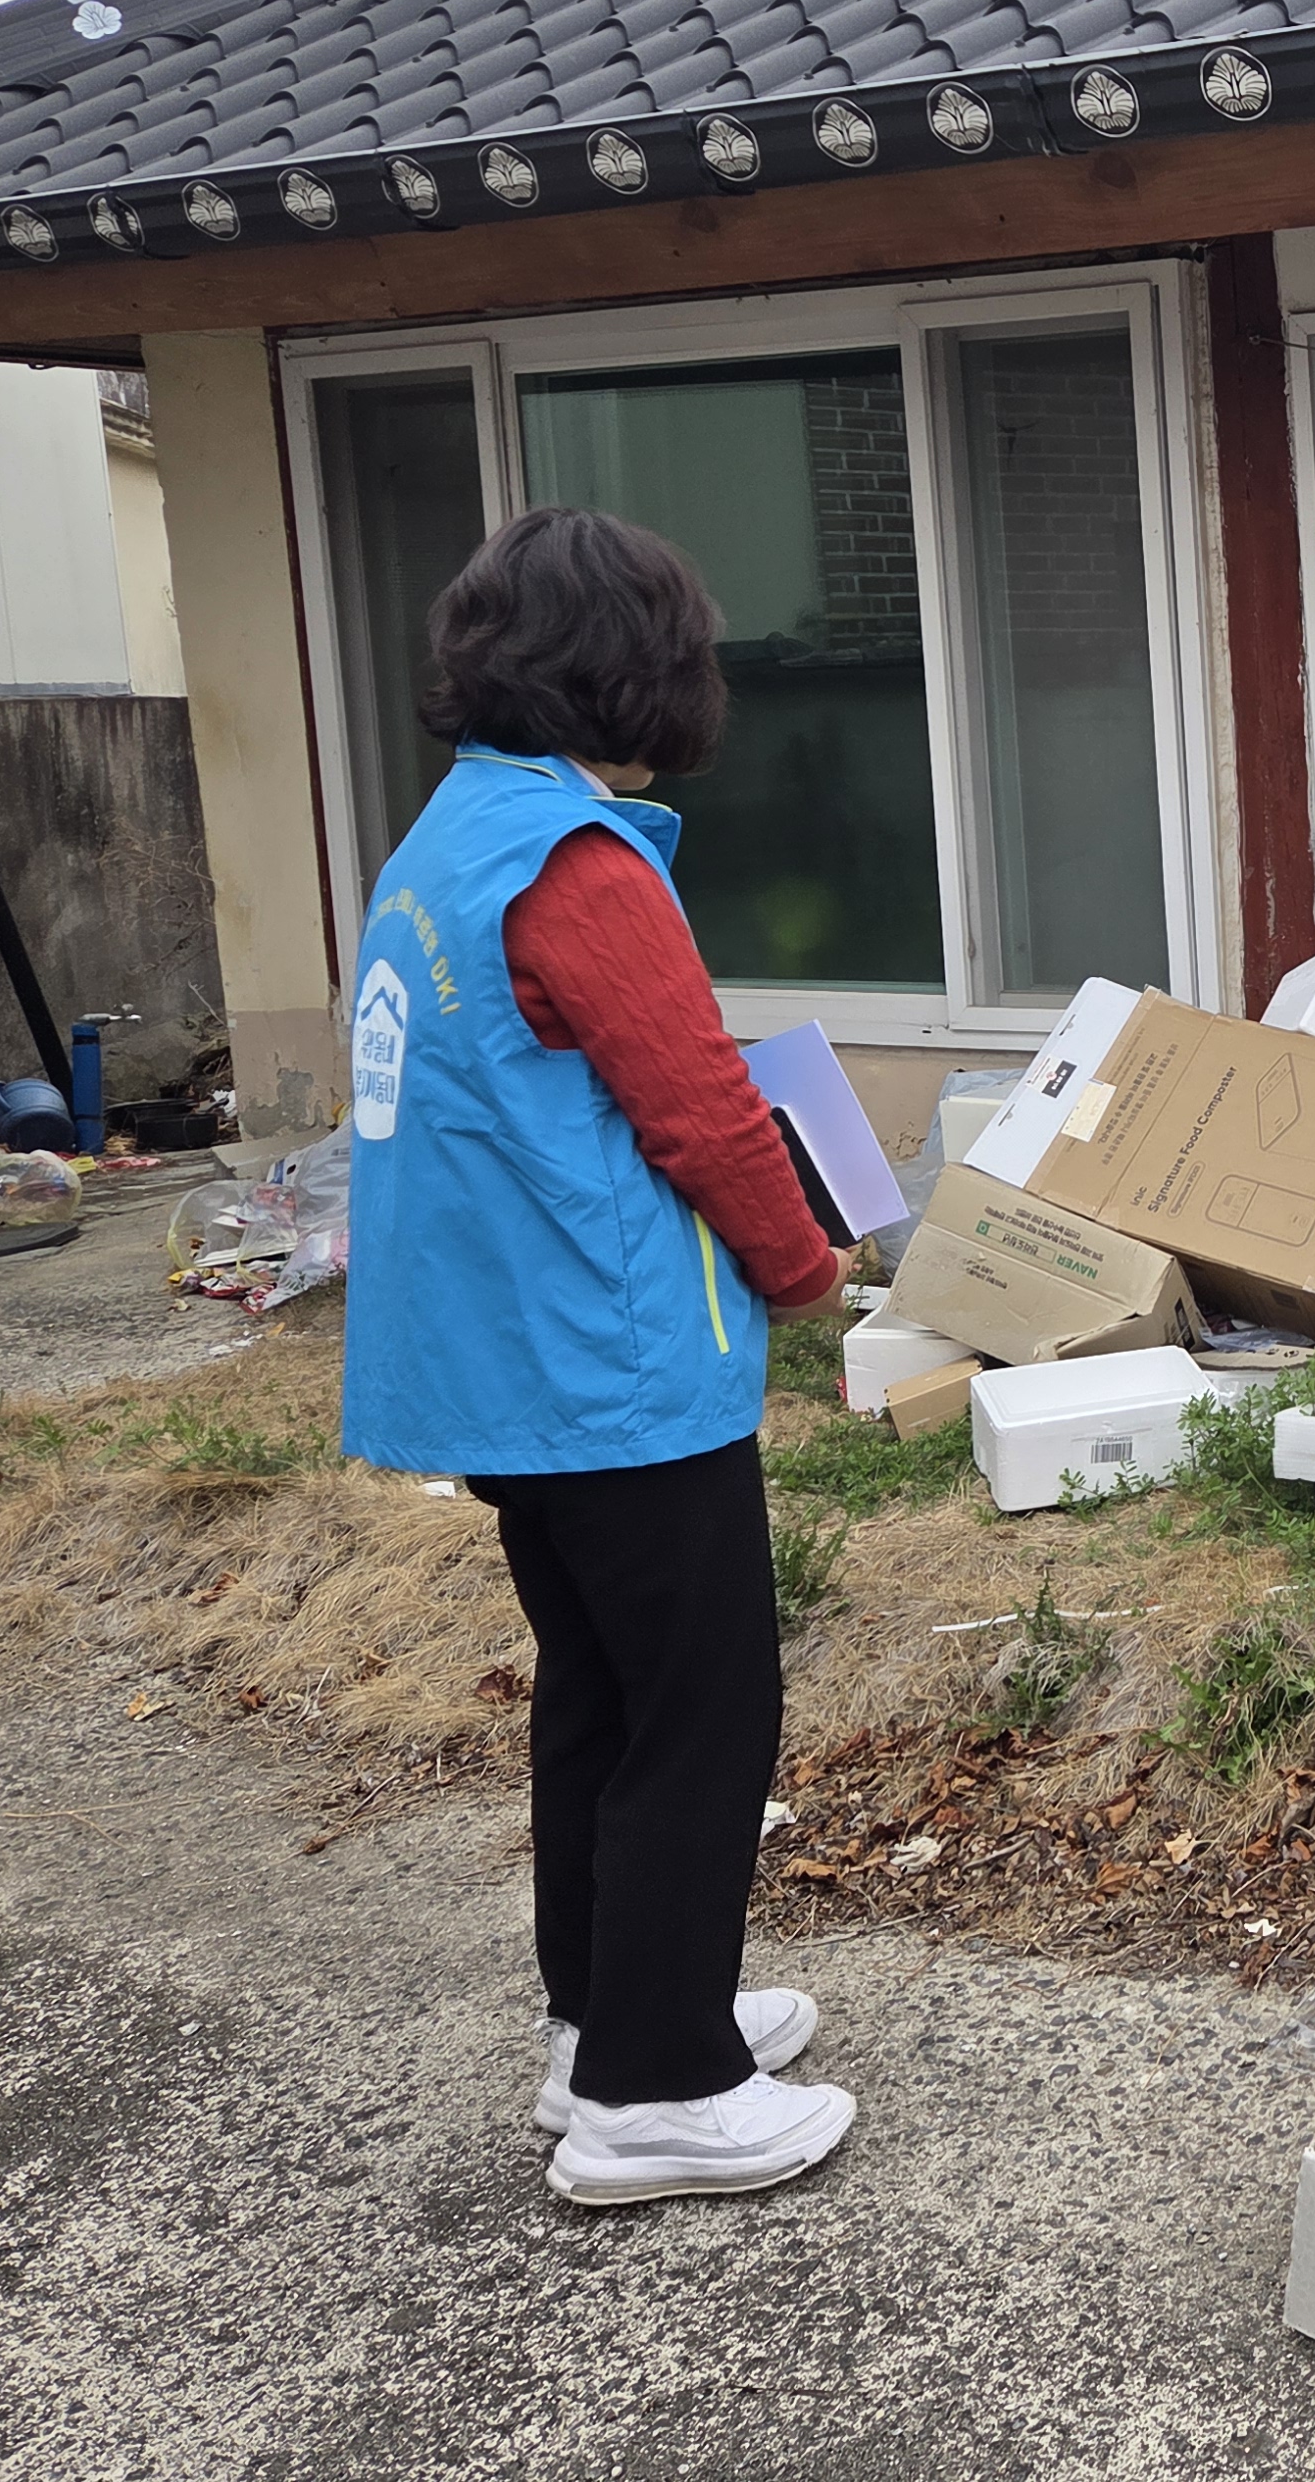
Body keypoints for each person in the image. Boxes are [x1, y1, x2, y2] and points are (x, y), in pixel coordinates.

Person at [340, 507, 860, 2207]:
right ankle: (661, 2090)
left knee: (600, 1696)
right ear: (639, 672)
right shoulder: (578, 864)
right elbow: (700, 1104)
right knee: (704, 1711)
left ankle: (607, 2020)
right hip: (614, 1369)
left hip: (503, 1368)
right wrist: (804, 1269)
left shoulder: (443, 843)